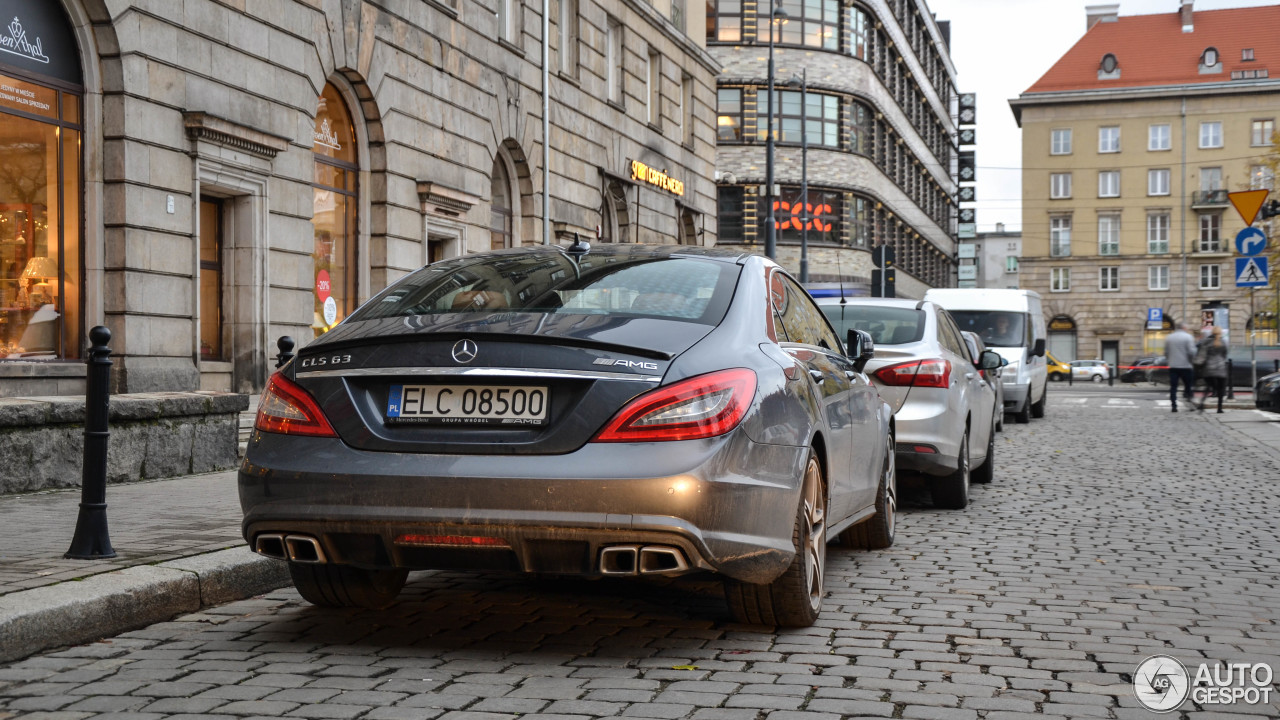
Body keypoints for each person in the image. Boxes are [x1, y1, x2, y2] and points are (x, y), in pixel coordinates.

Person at [1164, 321, 1197, 412]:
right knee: (1188, 386)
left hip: (1173, 366)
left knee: (1173, 387)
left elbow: (1166, 352)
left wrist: (1170, 360)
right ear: (1184, 328)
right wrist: (1192, 360)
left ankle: (1174, 406)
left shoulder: (1169, 338)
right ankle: (1190, 404)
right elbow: (1192, 352)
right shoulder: (1188, 337)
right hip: (1186, 366)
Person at [1195, 326, 1228, 413]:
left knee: (1208, 387)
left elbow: (1202, 355)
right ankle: (1219, 408)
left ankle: (1202, 404)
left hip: (1209, 369)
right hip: (1221, 368)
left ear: (1212, 332)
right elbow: (1225, 355)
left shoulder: (1206, 342)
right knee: (1221, 389)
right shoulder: (1223, 342)